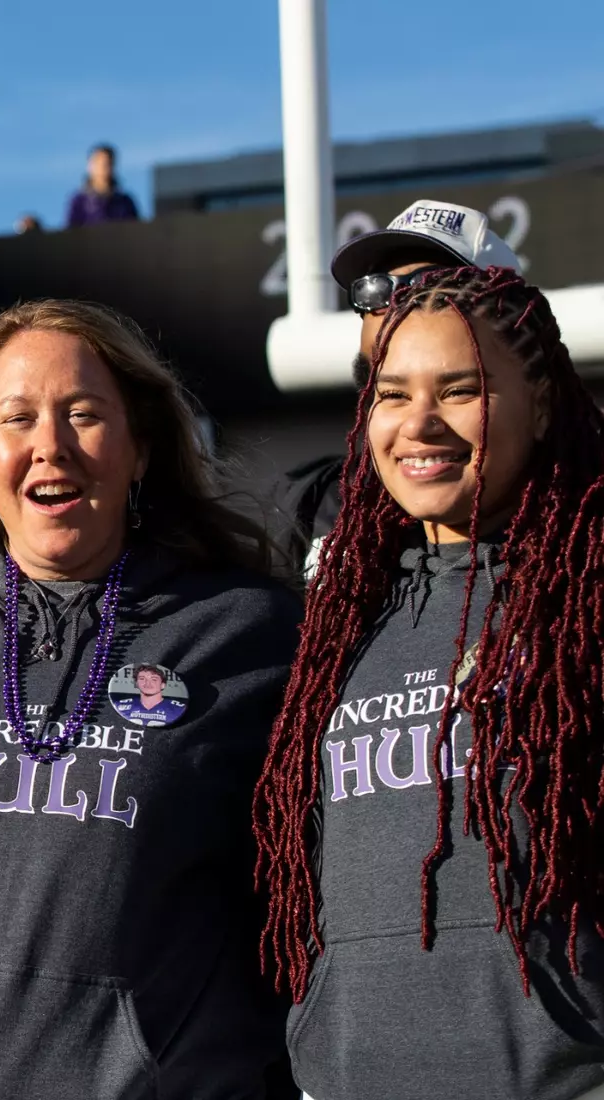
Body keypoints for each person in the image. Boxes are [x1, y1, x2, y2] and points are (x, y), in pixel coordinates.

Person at [0, 299, 301, 1099]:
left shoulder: (252, 635)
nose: (50, 446)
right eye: (17, 418)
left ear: (140, 448)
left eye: (83, 414)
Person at [255, 266, 604, 1099]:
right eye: (392, 393)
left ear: (544, 404)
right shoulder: (335, 618)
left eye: (460, 390)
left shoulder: (588, 595)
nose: (420, 424)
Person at [274, 199, 519, 577]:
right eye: (376, 289)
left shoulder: (577, 525)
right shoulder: (317, 506)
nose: (397, 304)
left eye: (433, 284)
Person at [65, 143, 140, 228]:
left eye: (107, 164)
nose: (103, 168)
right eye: (99, 163)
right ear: (90, 166)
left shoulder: (125, 202)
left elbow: (136, 232)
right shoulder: (79, 202)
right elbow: (72, 233)